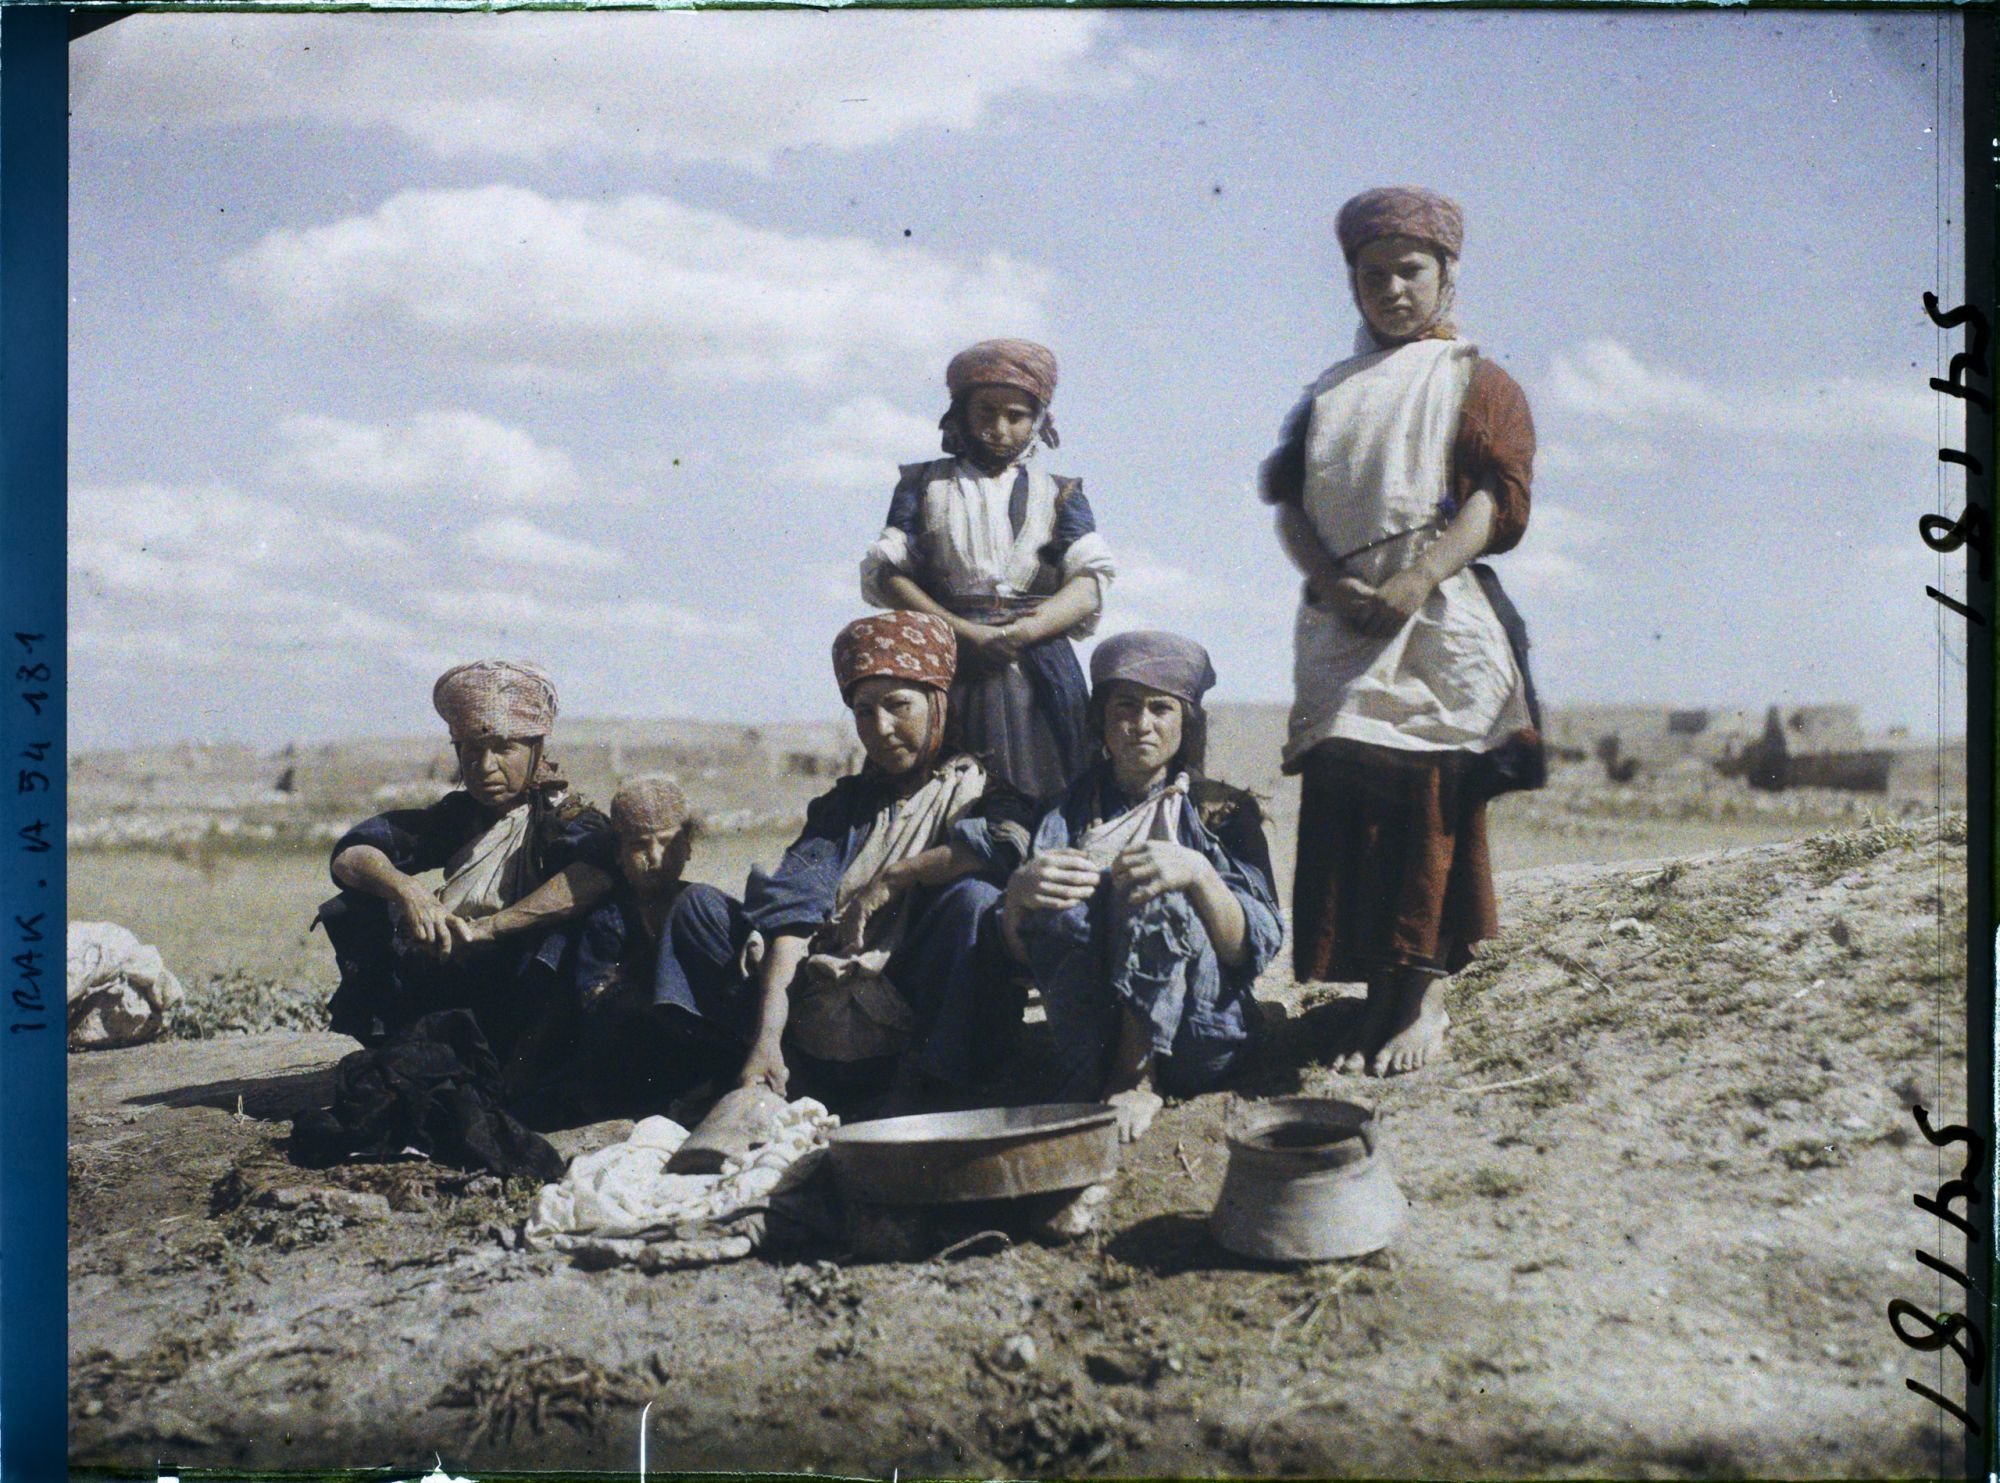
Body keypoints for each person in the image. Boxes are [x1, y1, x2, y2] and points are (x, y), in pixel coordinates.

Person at [1259, 185, 1545, 1078]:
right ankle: (1369, 997)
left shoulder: (1473, 377)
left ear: (1447, 274)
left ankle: (1424, 998)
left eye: (1408, 272)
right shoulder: (1326, 396)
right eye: (1371, 274)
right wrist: (1330, 580)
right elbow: (1291, 508)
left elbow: (1495, 501)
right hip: (1346, 615)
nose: (1390, 289)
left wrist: (1419, 577)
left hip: (1436, 607)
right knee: (1351, 799)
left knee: (1429, 793)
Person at [734, 613, 1036, 1110]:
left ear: (938, 702)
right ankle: (756, 1072)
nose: (881, 728)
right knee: (701, 911)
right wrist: (766, 1038)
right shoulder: (844, 808)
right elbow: (794, 912)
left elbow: (1008, 845)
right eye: (863, 711)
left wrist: (894, 878)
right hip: (834, 1003)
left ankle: (935, 1088)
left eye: (899, 705)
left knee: (975, 900)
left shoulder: (985, 790)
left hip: (931, 1012)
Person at [1002, 631, 1283, 1143]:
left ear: (1186, 721)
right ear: (1101, 720)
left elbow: (1253, 949)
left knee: (1158, 886)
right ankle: (1106, 1076)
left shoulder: (1220, 811)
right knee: (1055, 895)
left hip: (1199, 1034)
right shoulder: (1064, 814)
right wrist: (1018, 896)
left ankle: (1137, 1075)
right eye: (1125, 707)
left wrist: (1197, 873)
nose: (1141, 725)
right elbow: (1025, 956)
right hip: (1090, 1044)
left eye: (1161, 709)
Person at [317, 660, 618, 1085]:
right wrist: (410, 893)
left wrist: (491, 928)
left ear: (536, 749)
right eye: (472, 751)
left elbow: (594, 876)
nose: (485, 766)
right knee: (354, 903)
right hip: (454, 977)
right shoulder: (458, 817)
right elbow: (351, 854)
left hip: (527, 995)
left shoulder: (567, 820)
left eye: (504, 749)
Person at [860, 338, 1116, 800]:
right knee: (936, 783)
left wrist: (1019, 635)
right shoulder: (923, 484)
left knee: (1057, 784)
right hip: (948, 656)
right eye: (986, 413)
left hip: (1037, 660)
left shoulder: (1060, 493)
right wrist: (964, 634)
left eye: (1015, 416)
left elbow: (1090, 582)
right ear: (961, 414)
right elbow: (889, 572)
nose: (999, 428)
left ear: (1037, 421)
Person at [555, 774, 765, 1115]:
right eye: (639, 846)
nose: (655, 857)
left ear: (688, 846)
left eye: (667, 843)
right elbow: (595, 993)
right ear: (619, 854)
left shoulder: (706, 910)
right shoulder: (610, 919)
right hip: (648, 1046)